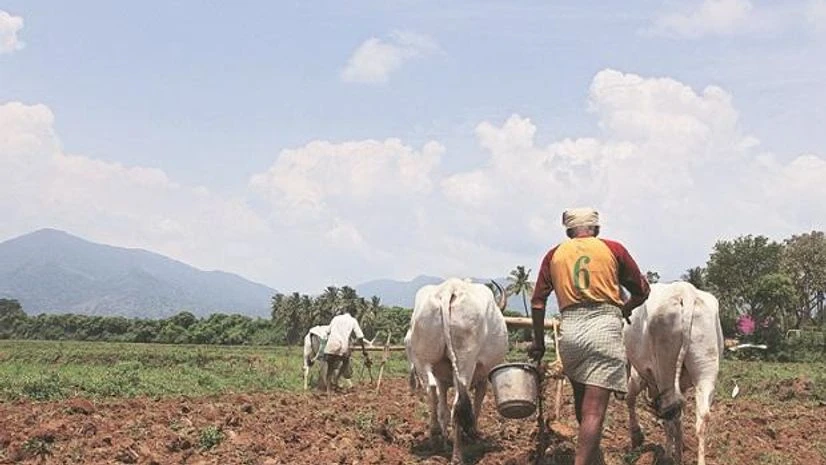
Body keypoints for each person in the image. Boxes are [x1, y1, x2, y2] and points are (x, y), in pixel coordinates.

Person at [528, 207, 650, 465]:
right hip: (604, 329)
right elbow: (641, 291)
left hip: (570, 332)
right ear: (596, 229)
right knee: (594, 411)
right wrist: (624, 309)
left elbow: (538, 302)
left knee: (583, 403)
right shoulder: (613, 249)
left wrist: (539, 343)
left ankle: (594, 460)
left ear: (569, 231)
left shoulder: (554, 255)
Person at [323, 306, 371, 392]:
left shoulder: (336, 318)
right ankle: (337, 378)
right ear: (354, 314)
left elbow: (327, 331)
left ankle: (328, 390)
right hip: (342, 346)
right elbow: (360, 336)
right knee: (345, 361)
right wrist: (364, 350)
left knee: (330, 368)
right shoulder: (353, 320)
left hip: (331, 344)